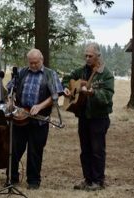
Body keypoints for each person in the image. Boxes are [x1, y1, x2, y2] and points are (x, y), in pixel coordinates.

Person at [7, 49, 63, 190]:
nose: (32, 65)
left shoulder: (50, 74)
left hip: (40, 120)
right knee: (14, 149)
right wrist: (11, 100)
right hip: (20, 117)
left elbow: (55, 95)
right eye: (30, 63)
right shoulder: (22, 72)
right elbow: (10, 88)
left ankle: (33, 181)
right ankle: (12, 178)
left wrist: (40, 106)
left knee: (35, 151)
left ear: (41, 60)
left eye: (35, 63)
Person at [62, 43, 114, 191]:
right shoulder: (81, 71)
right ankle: (88, 179)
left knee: (97, 150)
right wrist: (68, 88)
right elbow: (67, 78)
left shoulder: (106, 74)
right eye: (85, 55)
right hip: (84, 116)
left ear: (98, 56)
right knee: (85, 150)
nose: (87, 58)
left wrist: (93, 93)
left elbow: (107, 97)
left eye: (90, 56)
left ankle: (98, 181)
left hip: (99, 118)